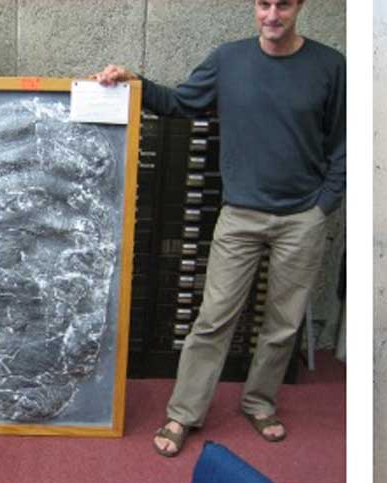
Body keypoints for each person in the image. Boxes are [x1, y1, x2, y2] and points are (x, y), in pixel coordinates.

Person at [93, 0, 345, 457]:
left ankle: (260, 401)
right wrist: (133, 81)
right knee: (213, 318)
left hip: (301, 218)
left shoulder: (330, 65)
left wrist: (323, 205)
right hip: (239, 215)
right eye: (264, 4)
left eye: (283, 5)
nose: (272, 15)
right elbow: (180, 103)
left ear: (299, 7)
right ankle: (184, 412)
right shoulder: (229, 59)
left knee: (283, 323)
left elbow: (341, 142)